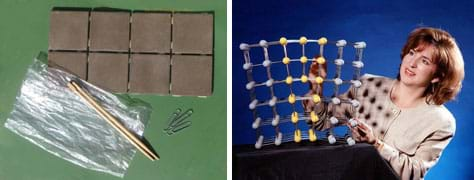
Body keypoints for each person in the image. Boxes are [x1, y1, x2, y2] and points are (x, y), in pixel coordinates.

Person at [303, 27, 464, 180]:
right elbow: (321, 121)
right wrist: (316, 87)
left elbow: (412, 173)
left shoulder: (441, 122)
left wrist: (376, 144)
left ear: (437, 76)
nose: (412, 63)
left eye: (425, 61)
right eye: (412, 53)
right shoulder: (367, 85)